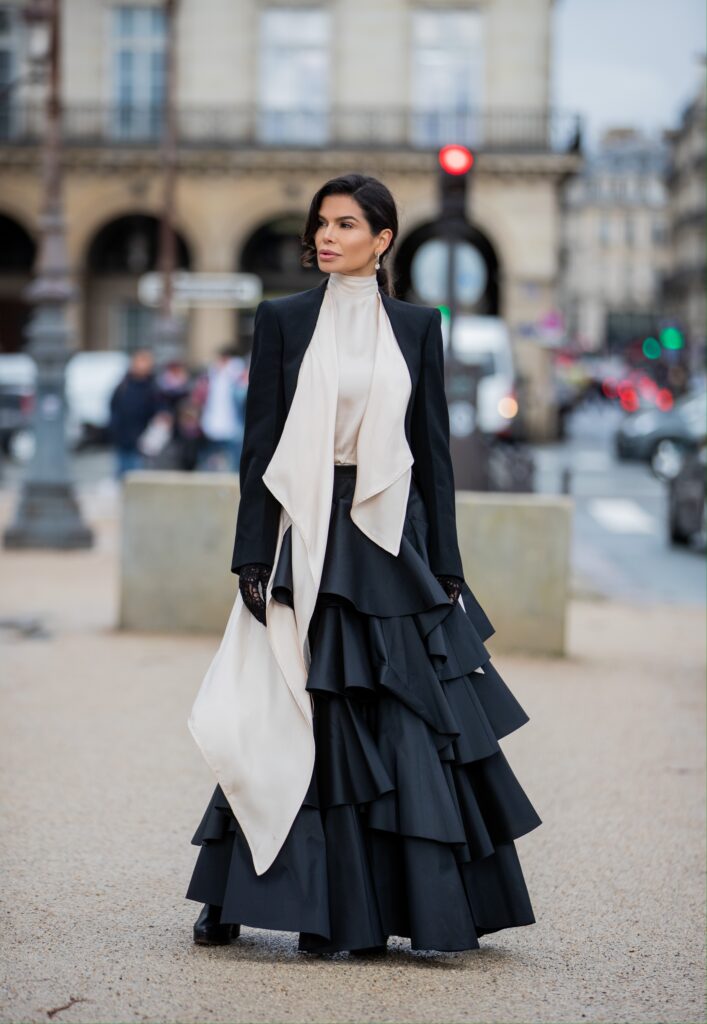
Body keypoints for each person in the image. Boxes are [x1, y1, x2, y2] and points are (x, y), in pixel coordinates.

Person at [186, 173, 541, 956]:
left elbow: (435, 453)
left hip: (390, 540)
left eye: (346, 224)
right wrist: (250, 552)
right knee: (286, 701)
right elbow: (259, 446)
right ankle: (244, 892)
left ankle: (391, 904)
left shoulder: (417, 326)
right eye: (321, 223)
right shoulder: (281, 319)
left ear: (382, 240)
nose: (326, 236)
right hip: (303, 532)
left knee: (406, 713)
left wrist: (445, 561)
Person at [108, 348, 164, 479]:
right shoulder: (123, 385)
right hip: (122, 438)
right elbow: (114, 407)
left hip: (142, 440)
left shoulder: (153, 387)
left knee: (137, 476)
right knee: (121, 475)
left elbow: (160, 410)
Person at [195, 346, 247, 472]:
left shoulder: (238, 373)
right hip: (212, 425)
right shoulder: (211, 374)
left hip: (233, 426)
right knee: (211, 461)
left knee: (234, 462)